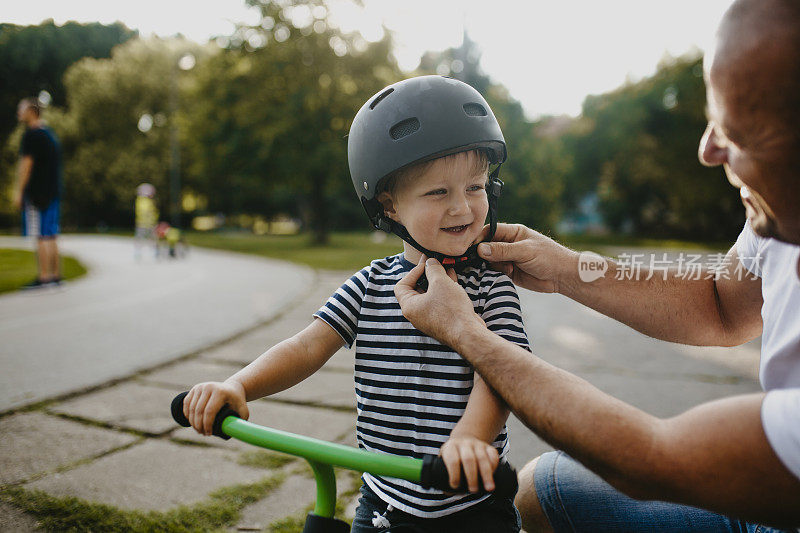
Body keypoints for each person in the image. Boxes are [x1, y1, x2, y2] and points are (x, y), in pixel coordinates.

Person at [393, 0, 800, 530]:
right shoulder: (784, 217)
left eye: (739, 134)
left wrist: (466, 333)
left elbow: (652, 459)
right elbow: (723, 305)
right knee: (543, 490)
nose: (708, 150)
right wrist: (569, 268)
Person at [182, 76, 530, 532]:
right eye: (438, 192)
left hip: (472, 509)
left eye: (476, 187)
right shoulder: (369, 286)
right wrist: (238, 386)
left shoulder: (491, 288)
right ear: (389, 205)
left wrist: (470, 439)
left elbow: (503, 374)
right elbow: (307, 347)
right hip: (383, 504)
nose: (462, 208)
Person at [13, 97, 63, 289]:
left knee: (41, 235)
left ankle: (44, 277)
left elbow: (26, 166)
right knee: (50, 233)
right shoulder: (50, 135)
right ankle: (56, 276)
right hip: (53, 192)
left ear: (31, 111)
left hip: (37, 194)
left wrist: (19, 192)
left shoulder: (31, 136)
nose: (19, 112)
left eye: (21, 108)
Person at [134, 183, 158, 260]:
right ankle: (153, 253)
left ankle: (138, 253)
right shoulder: (145, 201)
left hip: (143, 223)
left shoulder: (140, 201)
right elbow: (147, 212)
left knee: (141, 239)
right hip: (146, 224)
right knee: (150, 239)